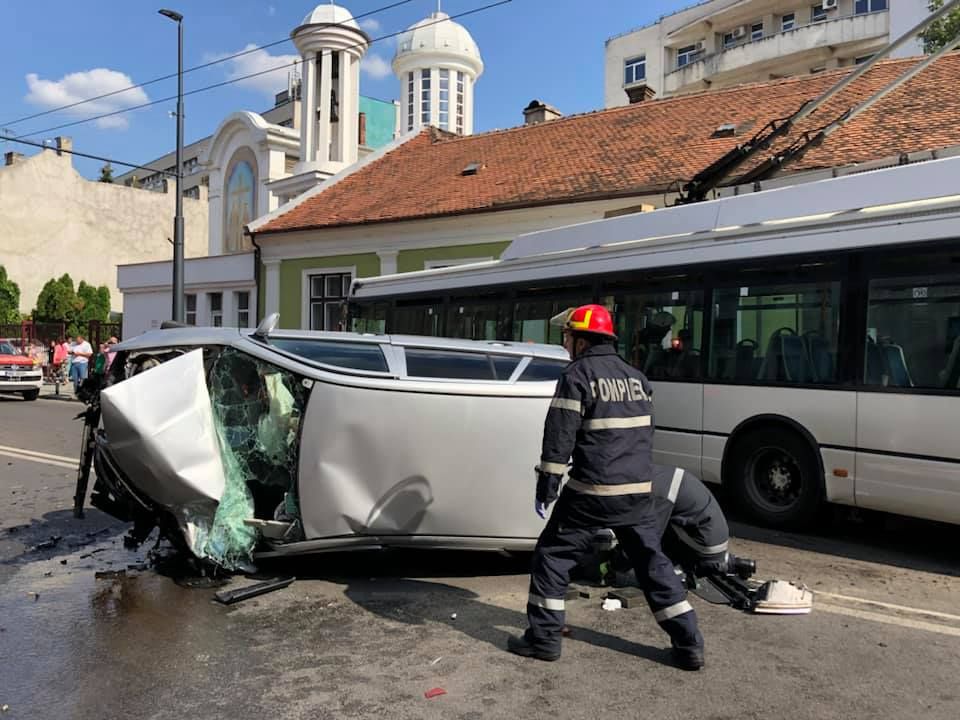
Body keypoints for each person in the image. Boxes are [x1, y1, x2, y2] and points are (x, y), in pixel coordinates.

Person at [508, 304, 704, 670]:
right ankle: (689, 643)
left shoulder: (577, 375)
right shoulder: (636, 378)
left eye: (567, 337)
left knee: (552, 556)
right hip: (637, 492)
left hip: (592, 494)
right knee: (652, 565)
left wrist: (547, 487)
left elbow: (559, 438)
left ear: (581, 340)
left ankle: (543, 639)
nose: (566, 344)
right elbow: (643, 435)